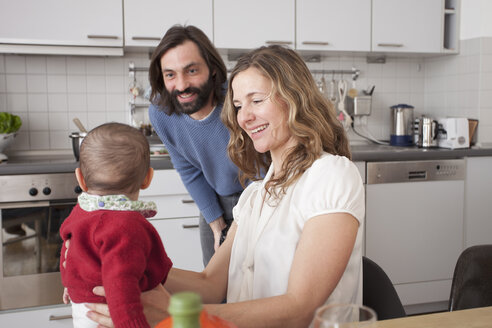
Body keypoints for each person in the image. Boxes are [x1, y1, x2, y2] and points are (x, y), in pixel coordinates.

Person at [85, 45, 365, 328]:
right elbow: (210, 284)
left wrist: (177, 314)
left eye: (256, 100)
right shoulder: (254, 196)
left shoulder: (330, 175)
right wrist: (124, 266)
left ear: (294, 98)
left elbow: (300, 308)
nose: (244, 117)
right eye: (239, 106)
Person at [59, 122, 173, 328]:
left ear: (81, 179)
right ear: (148, 178)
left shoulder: (82, 211)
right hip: (114, 315)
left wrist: (70, 282)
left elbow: (68, 246)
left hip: (85, 307)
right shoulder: (125, 227)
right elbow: (121, 285)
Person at [148, 25, 243, 267]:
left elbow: (265, 166)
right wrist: (216, 224)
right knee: (214, 287)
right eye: (170, 74)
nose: (181, 86)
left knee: (256, 286)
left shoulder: (238, 100)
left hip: (259, 195)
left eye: (191, 70)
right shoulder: (160, 113)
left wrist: (244, 222)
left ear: (212, 69)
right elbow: (188, 169)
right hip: (215, 202)